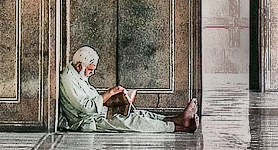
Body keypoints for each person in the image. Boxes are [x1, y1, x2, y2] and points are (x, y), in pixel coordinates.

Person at [59, 46, 198, 133]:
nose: (92, 73)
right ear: (79, 66)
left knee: (139, 114)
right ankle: (180, 127)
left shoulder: (77, 75)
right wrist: (110, 93)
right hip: (90, 121)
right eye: (90, 70)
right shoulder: (68, 79)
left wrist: (116, 100)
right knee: (134, 121)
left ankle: (177, 119)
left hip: (100, 112)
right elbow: (87, 108)